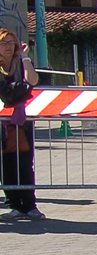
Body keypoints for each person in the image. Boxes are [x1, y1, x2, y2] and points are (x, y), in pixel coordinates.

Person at [0, 28, 40, 221]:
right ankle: (14, 204)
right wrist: (18, 91)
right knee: (6, 165)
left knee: (25, 162)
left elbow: (32, 81)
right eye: (4, 43)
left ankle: (30, 204)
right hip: (2, 124)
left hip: (21, 123)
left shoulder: (21, 62)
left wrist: (24, 57)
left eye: (11, 42)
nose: (8, 47)